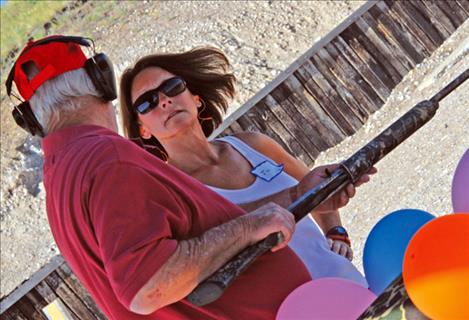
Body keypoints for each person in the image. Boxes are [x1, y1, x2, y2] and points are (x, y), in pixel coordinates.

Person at [5, 36, 316, 319]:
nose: (164, 102)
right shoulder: (106, 158)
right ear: (100, 81)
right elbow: (148, 286)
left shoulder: (64, 175)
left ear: (32, 119)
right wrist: (250, 227)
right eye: (147, 103)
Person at [119, 47, 375, 287]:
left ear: (195, 99)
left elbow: (316, 186)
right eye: (147, 103)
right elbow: (219, 232)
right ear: (143, 129)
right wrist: (297, 194)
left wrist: (336, 231)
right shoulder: (172, 193)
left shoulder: (252, 144)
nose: (164, 101)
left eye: (172, 87)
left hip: (346, 285)